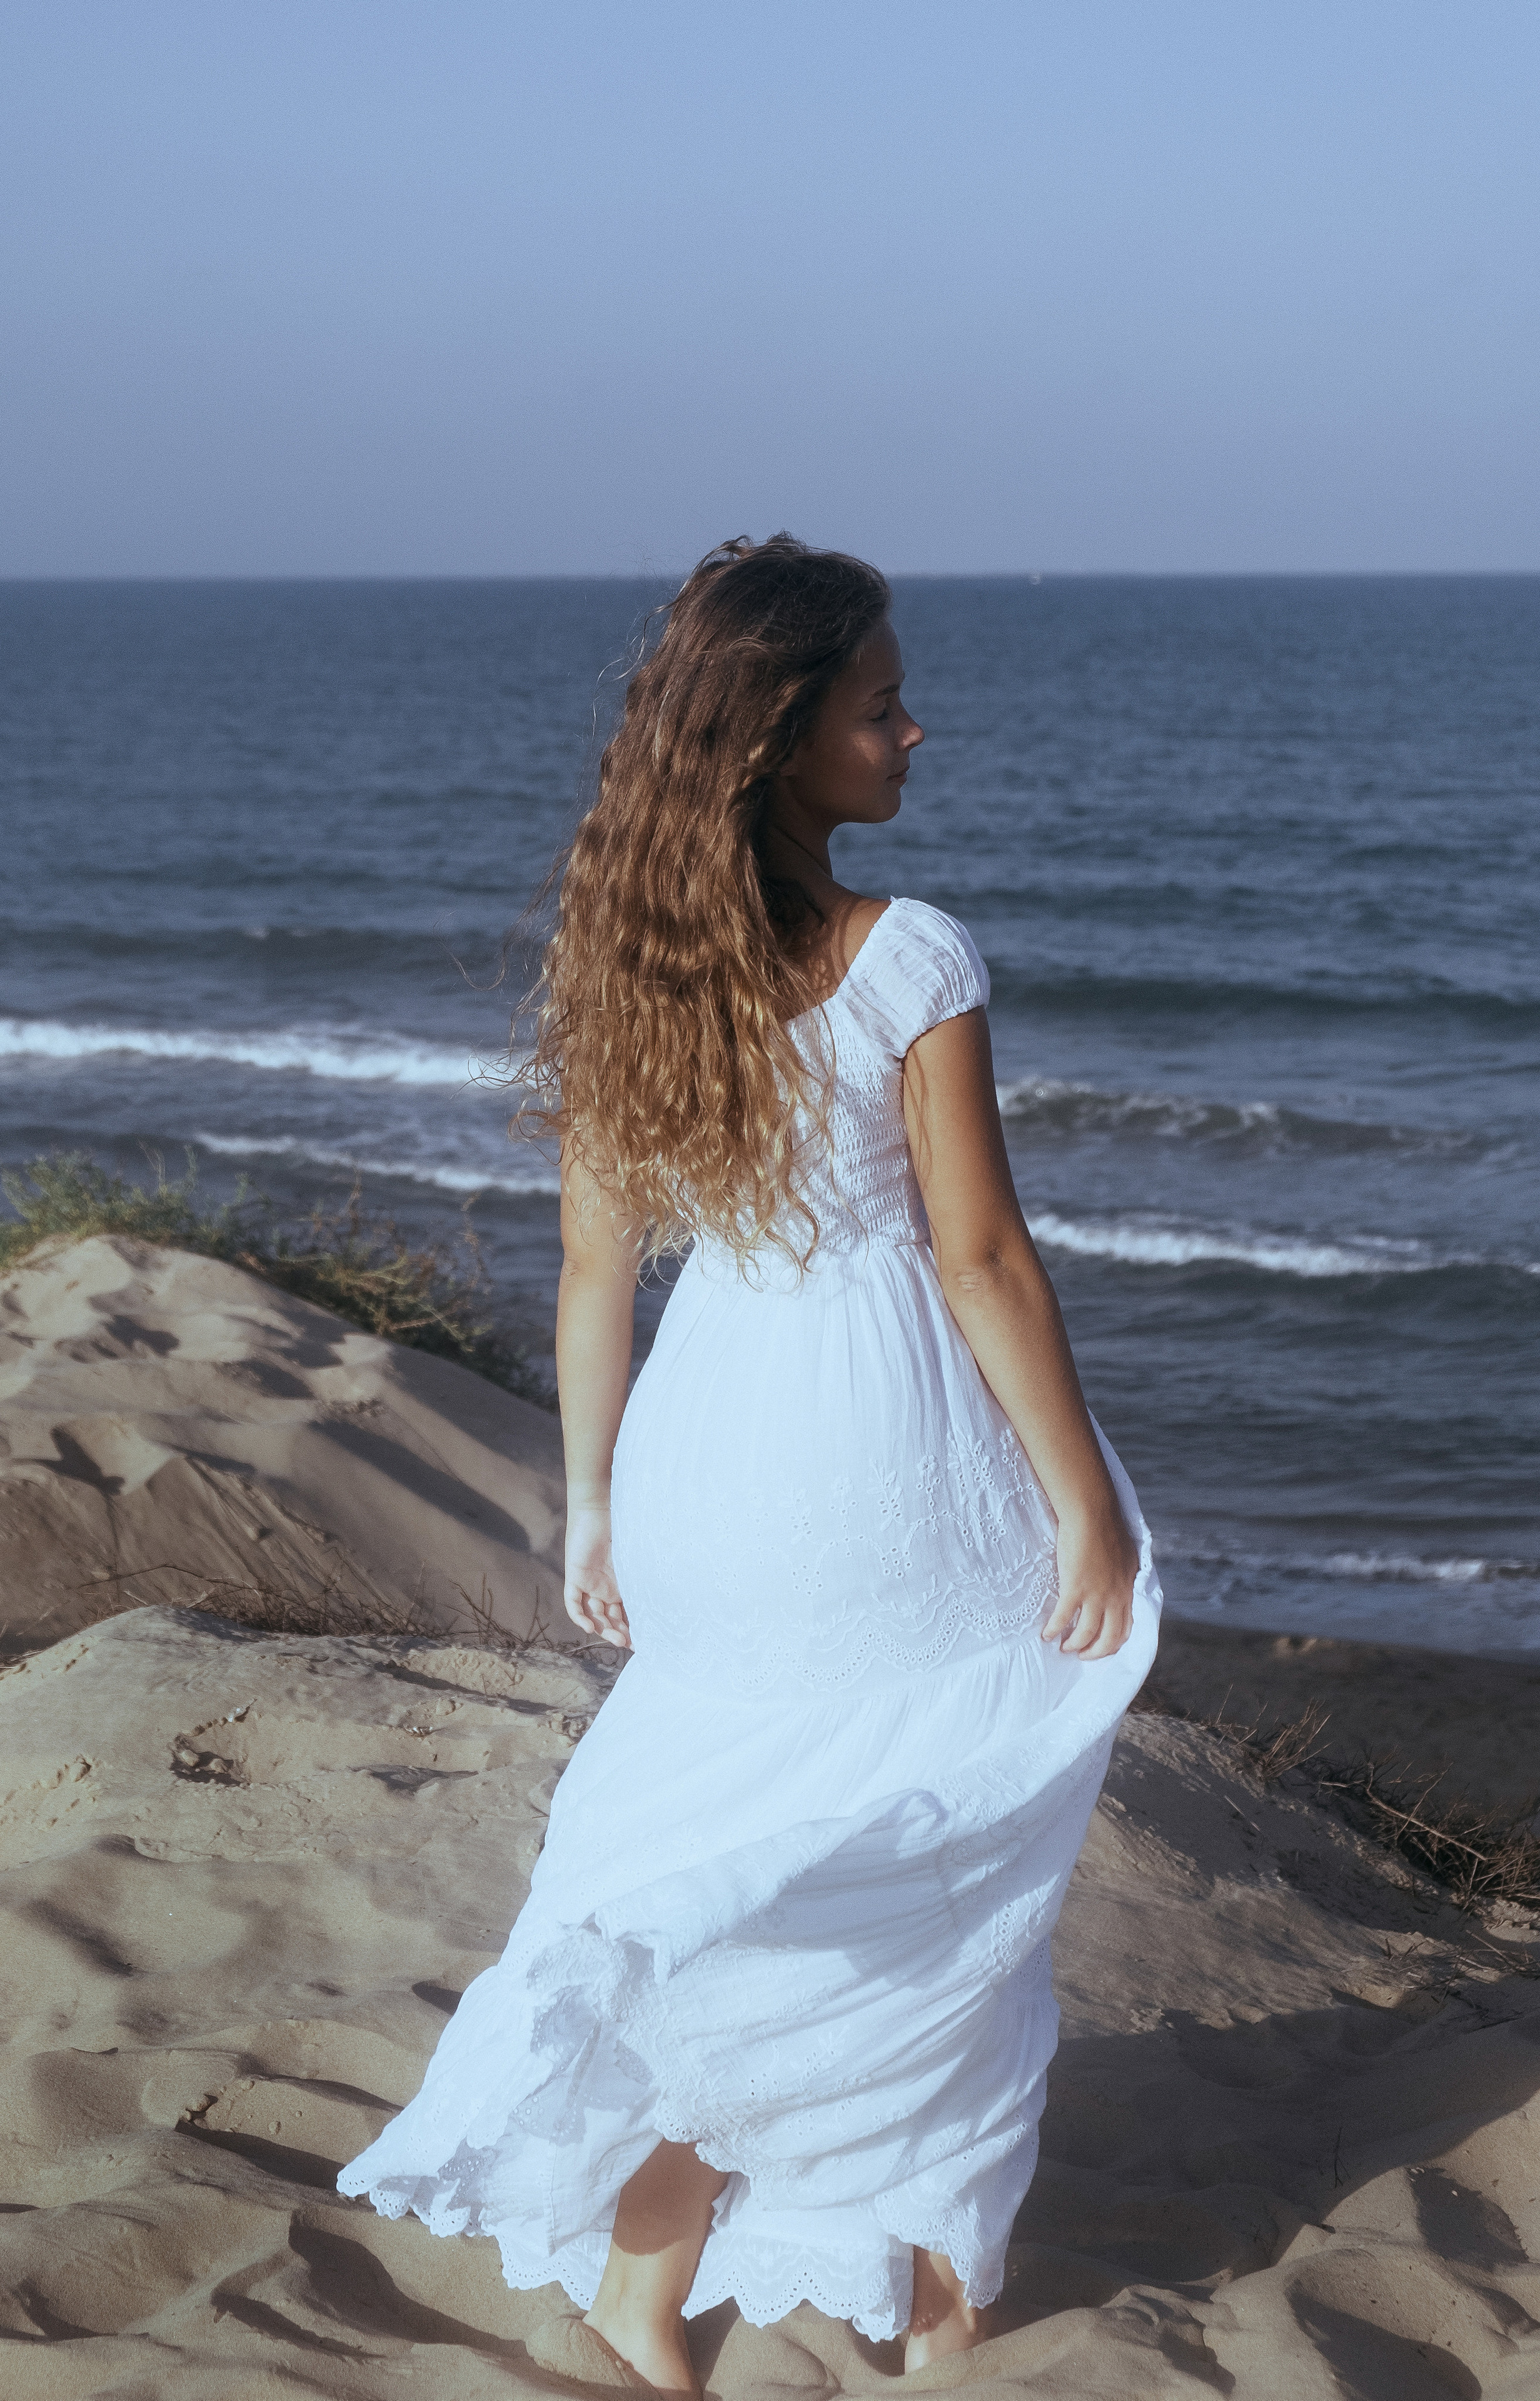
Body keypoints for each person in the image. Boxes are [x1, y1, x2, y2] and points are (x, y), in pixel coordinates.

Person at [338, 535, 1160, 2395]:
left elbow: (590, 1272)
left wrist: (604, 1502)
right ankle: (940, 2330)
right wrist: (1086, 1503)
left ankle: (645, 2302)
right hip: (876, 1460)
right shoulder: (909, 951)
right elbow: (979, 1261)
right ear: (787, 738)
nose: (914, 729)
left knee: (721, 1848)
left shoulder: (621, 961)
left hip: (705, 1459)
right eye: (881, 704)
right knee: (942, 1864)